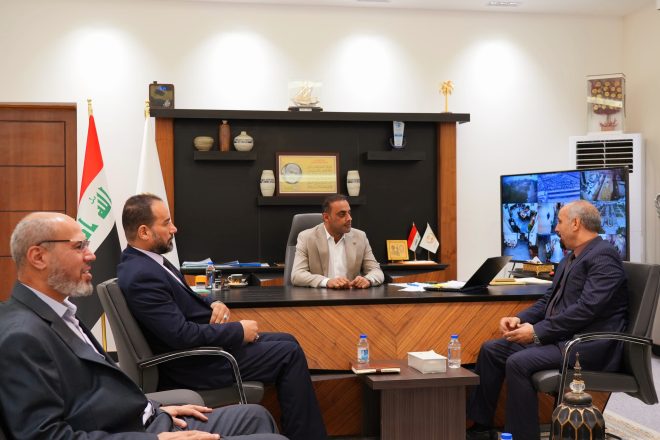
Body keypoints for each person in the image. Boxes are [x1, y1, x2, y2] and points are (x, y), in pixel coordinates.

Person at [0, 212, 287, 440]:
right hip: (136, 434)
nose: (91, 255)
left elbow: (100, 388)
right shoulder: (21, 336)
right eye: (79, 247)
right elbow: (46, 435)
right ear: (38, 257)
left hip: (144, 421)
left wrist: (154, 409)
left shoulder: (59, 313)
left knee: (255, 415)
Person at [117, 194, 326, 440]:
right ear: (144, 232)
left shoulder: (149, 262)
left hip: (203, 352)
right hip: (194, 364)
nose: (174, 228)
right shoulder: (141, 274)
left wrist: (212, 302)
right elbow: (180, 335)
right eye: (166, 223)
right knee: (287, 354)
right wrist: (238, 331)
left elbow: (182, 298)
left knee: (288, 340)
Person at [466, 200, 628, 440]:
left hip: (587, 346)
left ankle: (521, 436)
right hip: (563, 339)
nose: (556, 228)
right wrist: (518, 318)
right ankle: (479, 428)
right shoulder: (570, 259)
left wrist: (536, 332)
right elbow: (547, 302)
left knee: (518, 362)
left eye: (559, 222)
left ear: (576, 223)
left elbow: (586, 309)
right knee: (492, 350)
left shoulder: (604, 257)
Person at [291, 194, 384, 288]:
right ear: (326, 217)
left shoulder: (360, 237)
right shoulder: (306, 237)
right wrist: (327, 282)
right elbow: (297, 275)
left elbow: (376, 271)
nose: (349, 218)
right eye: (342, 214)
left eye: (349, 213)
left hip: (351, 294)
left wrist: (368, 280)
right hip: (320, 295)